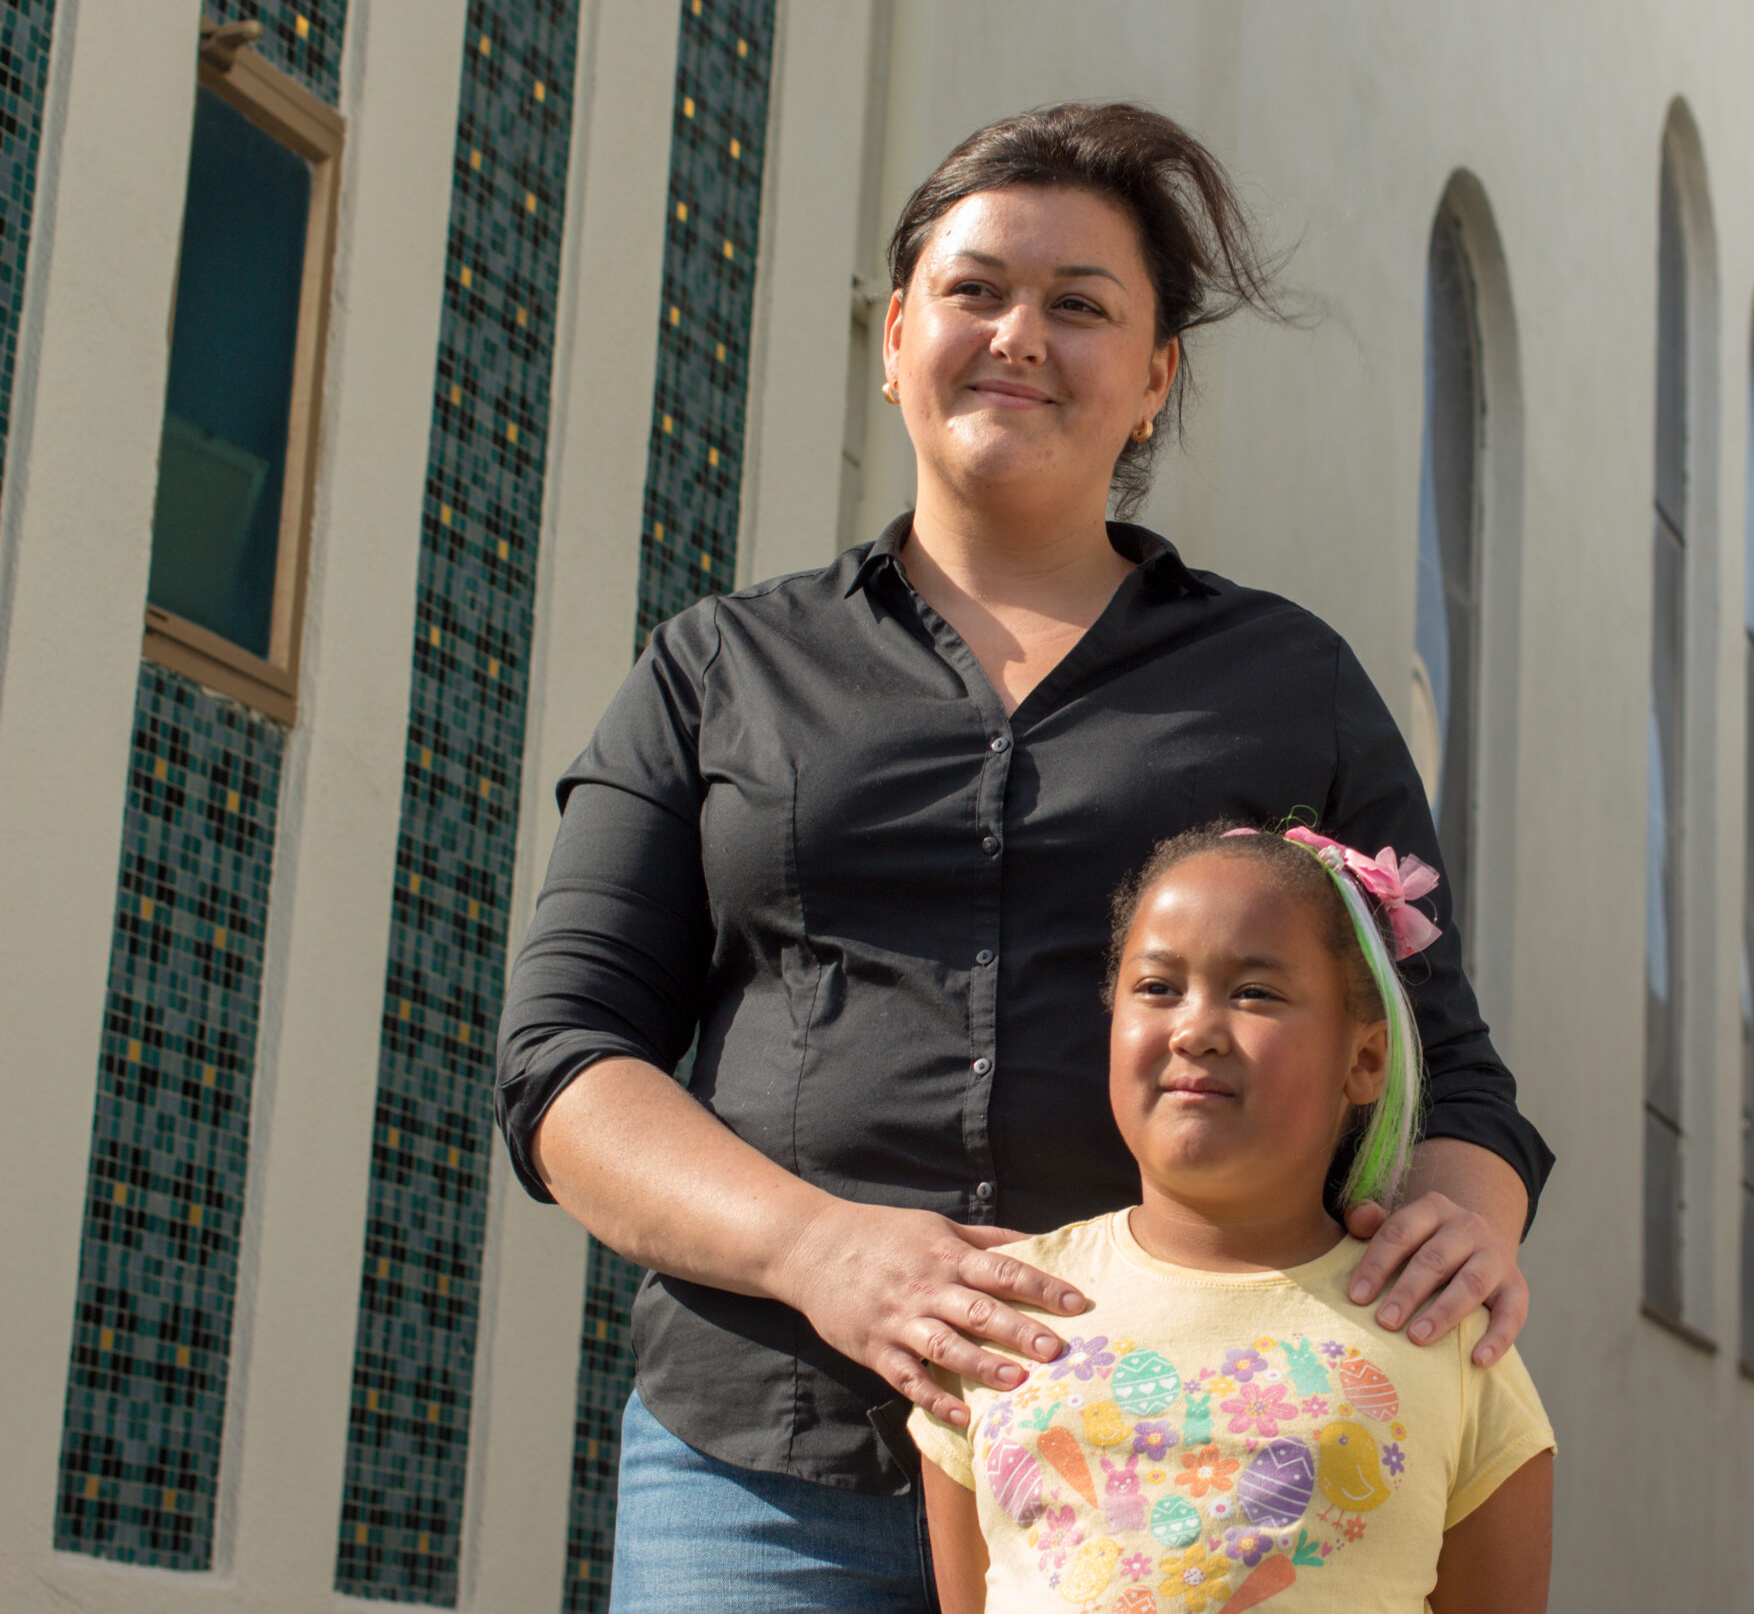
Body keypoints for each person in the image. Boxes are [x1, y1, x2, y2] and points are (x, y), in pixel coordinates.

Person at [493, 101, 1552, 1610]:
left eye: (1080, 306)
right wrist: (822, 1251)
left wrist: (1458, 1232)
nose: (1017, 336)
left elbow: (1448, 1067)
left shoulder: (1288, 681)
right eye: (976, 289)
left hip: (1158, 1480)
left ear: (1156, 376)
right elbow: (563, 1059)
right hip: (762, 1468)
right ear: (895, 331)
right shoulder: (716, 666)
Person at [909, 825, 1554, 1614]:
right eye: (1156, 988)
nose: (1195, 1028)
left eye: (1254, 993)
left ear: (1366, 1060)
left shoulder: (1445, 1331)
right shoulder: (1000, 1318)